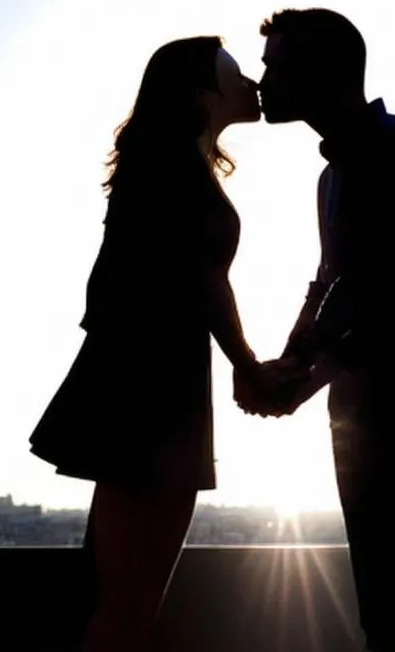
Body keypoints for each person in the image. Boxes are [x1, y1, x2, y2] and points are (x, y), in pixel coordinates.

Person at [29, 35, 303, 652]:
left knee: (126, 600)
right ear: (202, 93)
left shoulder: (169, 164)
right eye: (236, 75)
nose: (253, 85)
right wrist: (249, 365)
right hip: (151, 389)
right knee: (130, 603)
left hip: (150, 382)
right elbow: (204, 280)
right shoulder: (174, 170)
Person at [238, 8, 395, 652]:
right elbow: (333, 284)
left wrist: (295, 380)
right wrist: (292, 365)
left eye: (277, 66)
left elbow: (386, 299)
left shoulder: (393, 153)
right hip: (380, 385)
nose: (263, 82)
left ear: (323, 73)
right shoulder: (344, 167)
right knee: (386, 586)